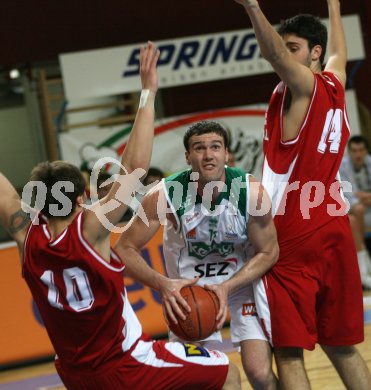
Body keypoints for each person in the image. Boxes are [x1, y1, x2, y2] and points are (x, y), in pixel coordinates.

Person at [0, 43, 240, 390]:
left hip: (76, 376)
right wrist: (147, 92)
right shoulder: (91, 229)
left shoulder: (26, 237)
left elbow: (7, 196)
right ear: (83, 197)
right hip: (125, 363)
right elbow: (135, 167)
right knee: (225, 370)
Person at [233, 0, 371, 388]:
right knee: (342, 346)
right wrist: (334, 5)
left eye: (294, 47)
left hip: (293, 232)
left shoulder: (304, 86)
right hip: (333, 227)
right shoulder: (336, 82)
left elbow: (272, 52)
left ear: (313, 54)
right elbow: (340, 53)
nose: (284, 52)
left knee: (289, 353)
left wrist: (253, 9)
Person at [115, 120, 279, 389]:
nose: (208, 155)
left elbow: (269, 251)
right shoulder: (164, 194)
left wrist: (227, 286)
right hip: (190, 294)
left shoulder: (251, 193)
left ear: (227, 154)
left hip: (240, 287)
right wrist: (164, 284)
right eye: (199, 148)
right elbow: (124, 249)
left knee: (260, 373)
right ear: (187, 156)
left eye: (215, 147)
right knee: (204, 381)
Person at [340, 135, 371, 288]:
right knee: (356, 211)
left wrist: (364, 197)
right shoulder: (343, 167)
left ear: (366, 151)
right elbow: (348, 198)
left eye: (361, 150)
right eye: (354, 151)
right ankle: (364, 264)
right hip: (356, 211)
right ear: (349, 152)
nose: (358, 154)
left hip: (367, 209)